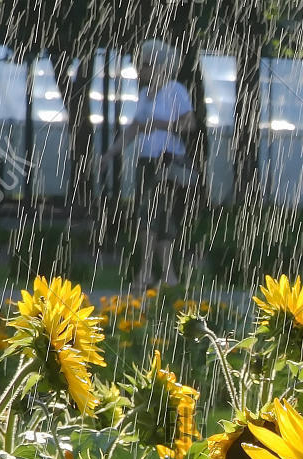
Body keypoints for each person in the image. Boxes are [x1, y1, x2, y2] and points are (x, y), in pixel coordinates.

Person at [101, 39, 195, 290]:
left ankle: (147, 272)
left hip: (168, 162)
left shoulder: (176, 90)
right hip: (146, 162)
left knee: (150, 216)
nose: (139, 69)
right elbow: (133, 128)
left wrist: (159, 125)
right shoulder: (144, 95)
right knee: (155, 218)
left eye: (143, 64)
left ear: (157, 66)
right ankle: (167, 275)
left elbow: (189, 124)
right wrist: (110, 154)